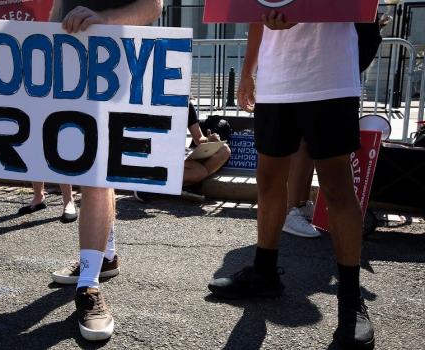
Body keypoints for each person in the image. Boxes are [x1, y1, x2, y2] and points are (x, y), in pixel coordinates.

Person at [208, 12, 375, 350]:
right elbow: (257, 11)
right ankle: (264, 273)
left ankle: (350, 299)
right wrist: (247, 71)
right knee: (268, 179)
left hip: (329, 72)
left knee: (336, 185)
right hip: (277, 76)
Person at [47, 0, 162, 342]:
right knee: (92, 174)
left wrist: (104, 20)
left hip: (115, 65)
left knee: (97, 175)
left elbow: (153, 5)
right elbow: (58, 9)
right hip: (72, 66)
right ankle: (104, 257)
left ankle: (88, 287)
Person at [134, 103, 231, 202]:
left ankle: (181, 185)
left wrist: (209, 141)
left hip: (177, 155)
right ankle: (149, 182)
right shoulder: (154, 102)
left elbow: (199, 139)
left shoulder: (187, 105)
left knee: (224, 150)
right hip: (155, 156)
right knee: (199, 172)